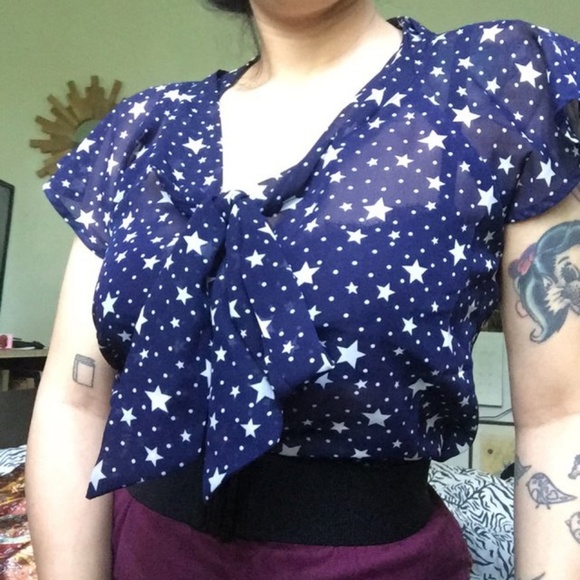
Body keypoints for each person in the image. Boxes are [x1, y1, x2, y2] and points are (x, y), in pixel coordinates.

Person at [25, 0, 580, 578]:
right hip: (148, 552)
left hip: (376, 564)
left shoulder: (495, 84)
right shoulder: (142, 132)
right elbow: (75, 402)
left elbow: (562, 417)